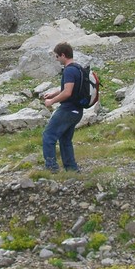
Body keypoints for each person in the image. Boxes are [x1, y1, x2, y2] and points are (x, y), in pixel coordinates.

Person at [41, 42, 84, 173]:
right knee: (65, 139)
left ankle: (51, 167)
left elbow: (67, 92)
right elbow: (68, 88)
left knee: (48, 135)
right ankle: (71, 168)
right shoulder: (78, 68)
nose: (56, 59)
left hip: (68, 109)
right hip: (77, 110)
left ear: (63, 55)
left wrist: (52, 101)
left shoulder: (69, 70)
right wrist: (53, 93)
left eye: (57, 56)